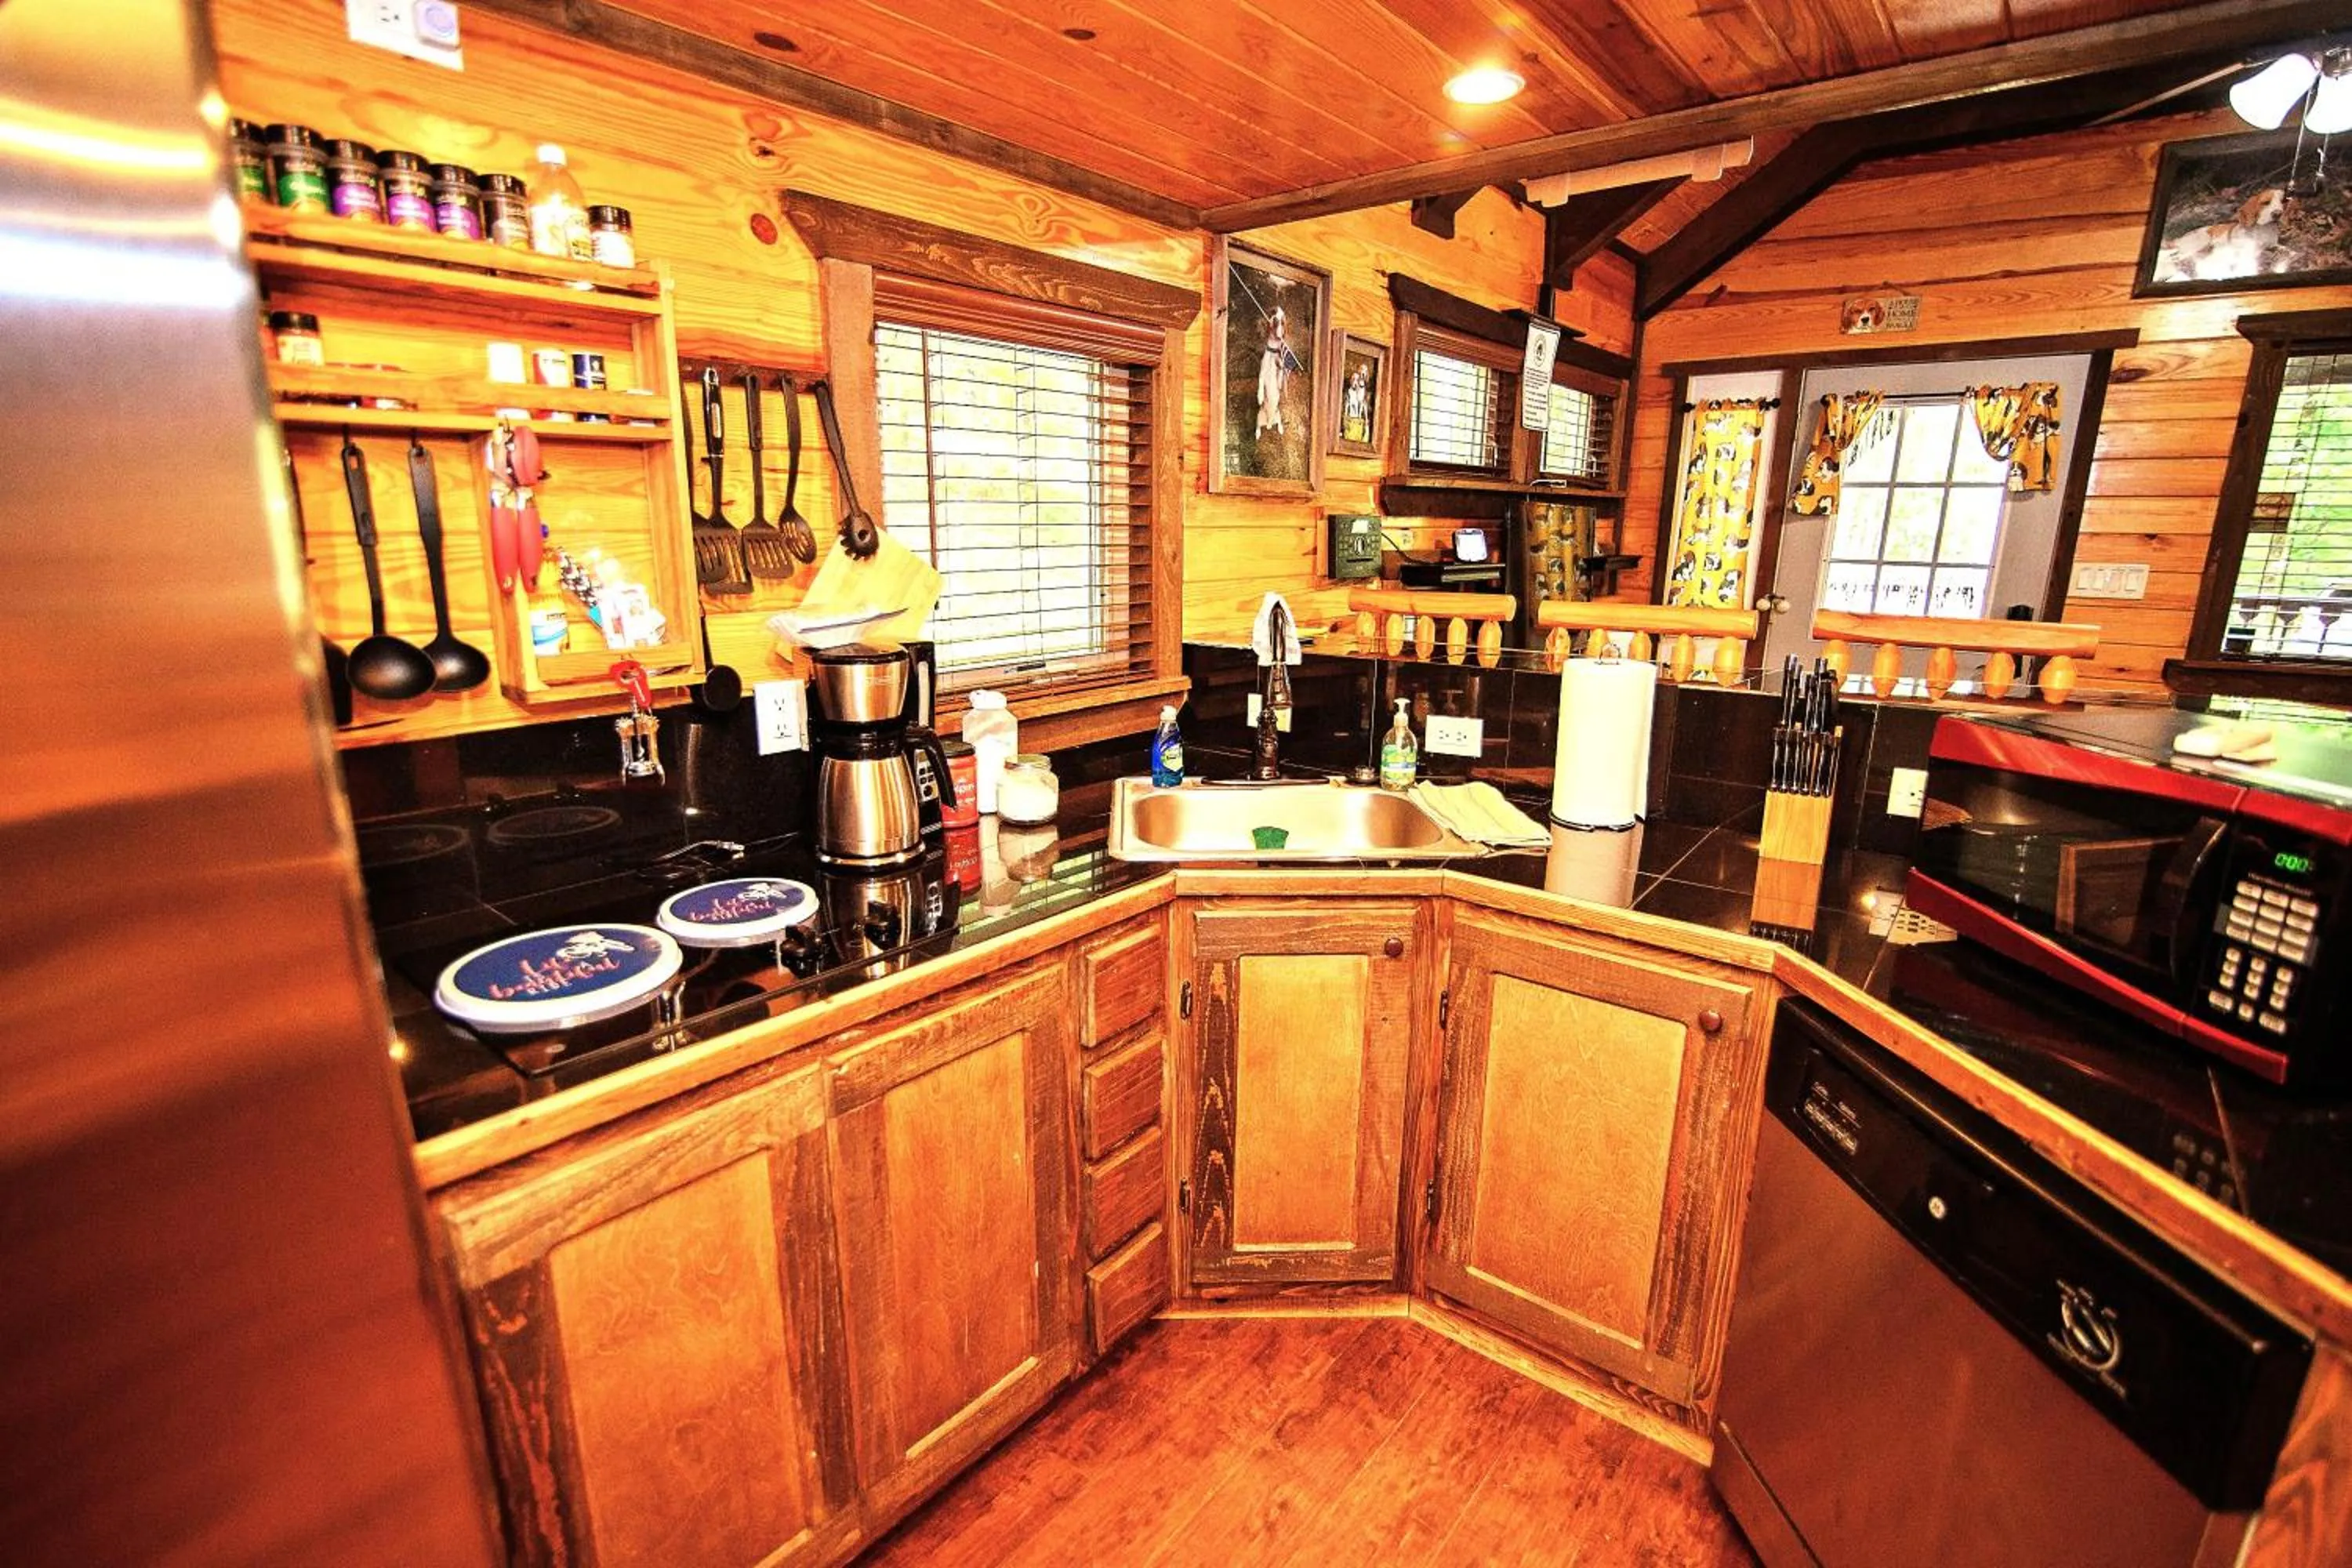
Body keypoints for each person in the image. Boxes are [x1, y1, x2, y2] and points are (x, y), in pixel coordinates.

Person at [1256, 305, 1290, 437]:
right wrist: (1260, 389)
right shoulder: (1270, 326)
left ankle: (1276, 421)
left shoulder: (1282, 345)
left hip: (1275, 386)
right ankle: (1260, 424)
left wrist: (1281, 368)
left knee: (1275, 397)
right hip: (1269, 355)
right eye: (1276, 321)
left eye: (1281, 322)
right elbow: (1262, 373)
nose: (1278, 324)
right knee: (1265, 396)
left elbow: (1282, 373)